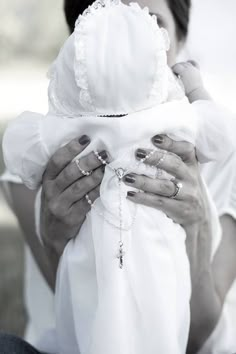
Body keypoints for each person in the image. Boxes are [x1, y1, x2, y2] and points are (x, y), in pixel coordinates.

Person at [1, 1, 236, 354]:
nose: (128, 41)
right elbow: (85, 306)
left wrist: (196, 229)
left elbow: (199, 336)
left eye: (152, 22)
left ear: (180, 41)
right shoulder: (50, 164)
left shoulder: (221, 157)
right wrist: (53, 238)